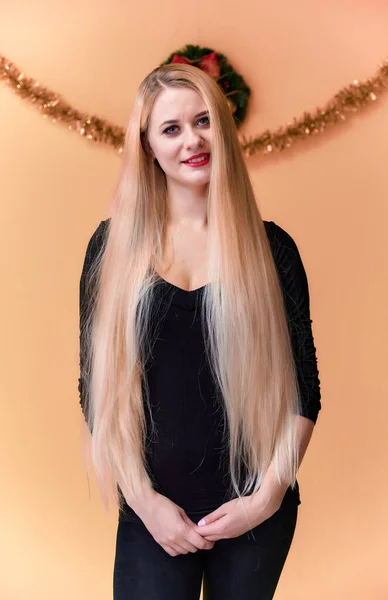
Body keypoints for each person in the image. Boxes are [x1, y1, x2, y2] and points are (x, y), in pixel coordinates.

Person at [78, 63, 321, 600]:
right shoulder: (112, 248)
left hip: (255, 510)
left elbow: (305, 389)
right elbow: (97, 393)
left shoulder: (272, 249)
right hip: (152, 511)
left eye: (204, 120)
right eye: (172, 128)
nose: (193, 140)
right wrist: (145, 503)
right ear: (147, 146)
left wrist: (266, 498)